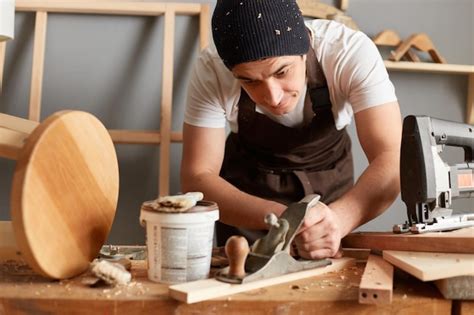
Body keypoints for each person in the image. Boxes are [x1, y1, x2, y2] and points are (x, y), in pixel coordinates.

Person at [181, 0, 402, 259]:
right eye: (249, 81)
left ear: (303, 50)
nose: (273, 98)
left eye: (282, 71)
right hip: (249, 192)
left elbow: (394, 158)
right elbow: (197, 177)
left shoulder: (348, 52)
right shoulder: (212, 70)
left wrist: (339, 220)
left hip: (330, 182)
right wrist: (284, 218)